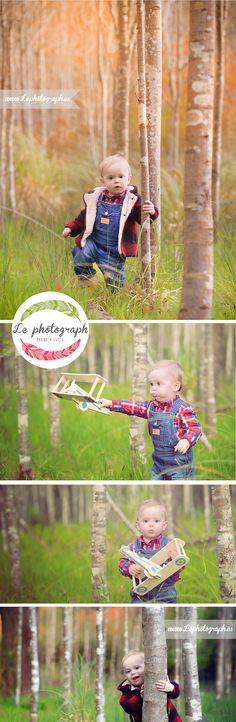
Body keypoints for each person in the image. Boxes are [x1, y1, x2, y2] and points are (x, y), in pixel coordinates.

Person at [62, 154, 158, 289]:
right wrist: (71, 228)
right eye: (111, 178)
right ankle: (86, 279)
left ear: (129, 178)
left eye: (121, 176)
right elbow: (84, 217)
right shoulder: (96, 198)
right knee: (80, 252)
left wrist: (152, 212)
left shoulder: (133, 200)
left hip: (114, 250)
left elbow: (142, 217)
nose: (116, 181)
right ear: (103, 181)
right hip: (94, 242)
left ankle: (115, 297)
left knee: (115, 285)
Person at [100, 359, 202, 480]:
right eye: (151, 384)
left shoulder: (182, 408)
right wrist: (111, 404)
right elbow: (134, 407)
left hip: (179, 465)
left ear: (175, 386)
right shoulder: (152, 407)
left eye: (159, 384)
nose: (153, 389)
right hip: (158, 464)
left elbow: (194, 428)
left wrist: (186, 441)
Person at [119, 499, 182, 603]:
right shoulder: (133, 547)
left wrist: (175, 559)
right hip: (141, 592)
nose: (151, 525)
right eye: (146, 521)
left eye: (156, 521)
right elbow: (122, 562)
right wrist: (129, 568)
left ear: (164, 525)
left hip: (165, 592)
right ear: (138, 525)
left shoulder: (169, 545)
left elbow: (180, 565)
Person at [118, 650, 182, 722]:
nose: (132, 672)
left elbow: (175, 693)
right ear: (125, 675)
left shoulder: (155, 679)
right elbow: (128, 707)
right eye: (128, 671)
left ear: (147, 667)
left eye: (137, 668)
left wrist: (171, 688)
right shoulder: (127, 691)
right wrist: (141, 697)